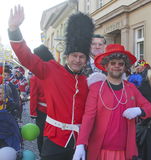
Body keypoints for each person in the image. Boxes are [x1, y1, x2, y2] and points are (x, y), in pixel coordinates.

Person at [8, 5, 94, 160]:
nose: (77, 60)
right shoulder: (51, 70)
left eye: (81, 57)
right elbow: (27, 58)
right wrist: (14, 29)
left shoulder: (87, 81)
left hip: (79, 142)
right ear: (67, 56)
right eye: (74, 55)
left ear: (85, 60)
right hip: (55, 139)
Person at [72, 44, 151, 160]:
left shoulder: (131, 88)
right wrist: (81, 143)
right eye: (113, 63)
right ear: (106, 66)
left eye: (120, 63)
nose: (117, 66)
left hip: (124, 152)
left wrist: (139, 110)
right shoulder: (96, 88)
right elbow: (88, 117)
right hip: (100, 151)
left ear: (125, 67)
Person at [29, 44, 55, 157]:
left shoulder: (36, 77)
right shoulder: (57, 71)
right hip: (55, 110)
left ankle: (42, 154)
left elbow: (33, 96)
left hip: (42, 111)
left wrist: (33, 113)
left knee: (41, 135)